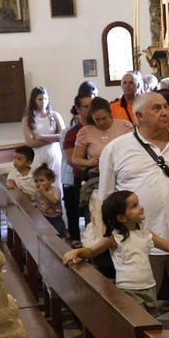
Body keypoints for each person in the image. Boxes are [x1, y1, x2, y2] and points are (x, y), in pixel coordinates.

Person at [96, 92, 169, 338]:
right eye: (156, 108)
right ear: (139, 116)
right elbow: (106, 198)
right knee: (140, 304)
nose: (164, 112)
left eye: (166, 107)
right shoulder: (116, 149)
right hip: (138, 240)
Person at [62, 189, 169, 304]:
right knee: (137, 328)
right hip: (129, 291)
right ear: (121, 218)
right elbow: (92, 251)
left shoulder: (144, 232)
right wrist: (77, 252)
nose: (140, 208)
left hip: (150, 288)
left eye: (138, 204)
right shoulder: (114, 238)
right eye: (134, 206)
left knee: (149, 324)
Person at [72, 97, 132, 232]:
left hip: (122, 175)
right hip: (97, 176)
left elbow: (133, 150)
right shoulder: (86, 132)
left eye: (104, 118)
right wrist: (89, 162)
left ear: (110, 114)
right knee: (100, 213)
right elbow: (75, 158)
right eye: (97, 120)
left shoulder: (124, 126)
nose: (101, 122)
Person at [61, 92, 93, 238]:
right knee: (84, 211)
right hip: (82, 176)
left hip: (101, 175)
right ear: (78, 109)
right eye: (86, 106)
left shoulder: (99, 127)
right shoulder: (72, 133)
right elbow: (71, 160)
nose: (90, 109)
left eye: (92, 105)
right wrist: (90, 170)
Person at [21, 86, 67, 180]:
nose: (43, 102)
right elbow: (30, 142)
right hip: (37, 154)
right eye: (40, 99)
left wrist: (42, 137)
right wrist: (53, 139)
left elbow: (63, 136)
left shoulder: (55, 115)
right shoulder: (27, 119)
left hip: (54, 152)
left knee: (56, 180)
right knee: (38, 181)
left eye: (45, 99)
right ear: (34, 100)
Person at [31, 165, 66, 237]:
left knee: (58, 236)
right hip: (44, 218)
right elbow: (33, 200)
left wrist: (44, 193)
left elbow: (55, 201)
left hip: (56, 219)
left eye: (41, 180)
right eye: (36, 181)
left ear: (50, 181)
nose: (38, 183)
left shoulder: (55, 190)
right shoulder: (37, 192)